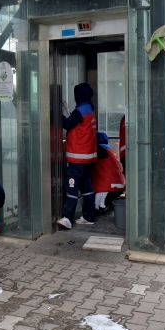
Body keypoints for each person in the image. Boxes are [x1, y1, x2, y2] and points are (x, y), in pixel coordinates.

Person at [57, 83, 98, 229]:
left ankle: (67, 218)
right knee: (86, 188)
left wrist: (59, 112)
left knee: (72, 187)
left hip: (78, 157)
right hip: (88, 156)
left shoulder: (80, 111)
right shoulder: (89, 108)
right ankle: (89, 216)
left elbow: (67, 124)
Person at [91, 132, 126, 214]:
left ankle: (102, 208)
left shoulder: (100, 149)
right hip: (117, 184)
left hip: (107, 187)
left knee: (98, 207)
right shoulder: (108, 149)